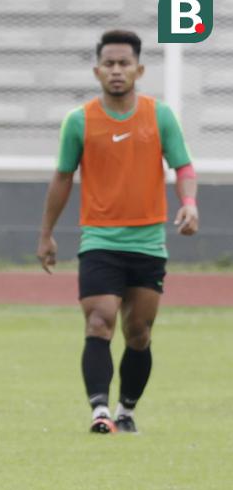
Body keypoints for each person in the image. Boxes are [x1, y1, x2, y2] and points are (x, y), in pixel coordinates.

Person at [37, 29, 199, 434]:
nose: (116, 70)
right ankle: (99, 411)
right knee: (99, 320)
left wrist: (190, 203)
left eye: (124, 63)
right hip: (100, 240)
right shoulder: (79, 121)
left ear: (139, 69)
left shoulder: (159, 116)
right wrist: (47, 234)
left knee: (139, 332)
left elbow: (184, 167)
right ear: (96, 70)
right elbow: (62, 177)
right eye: (108, 63)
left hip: (148, 242)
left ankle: (126, 410)